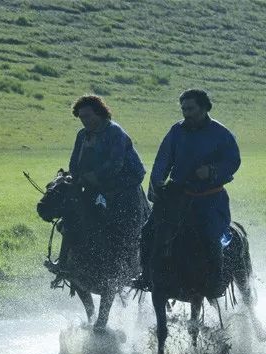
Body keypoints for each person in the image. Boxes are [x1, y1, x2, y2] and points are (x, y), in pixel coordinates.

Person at [133, 89, 241, 299]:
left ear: (204, 107)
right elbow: (162, 161)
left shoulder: (221, 134)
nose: (186, 113)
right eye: (183, 109)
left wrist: (211, 171)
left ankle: (215, 283)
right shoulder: (176, 131)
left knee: (211, 236)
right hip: (177, 197)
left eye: (190, 109)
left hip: (210, 199)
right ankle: (146, 275)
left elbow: (233, 161)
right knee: (148, 231)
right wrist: (157, 185)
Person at [55, 95, 147, 288]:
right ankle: (63, 263)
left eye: (88, 116)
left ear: (100, 113)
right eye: (81, 117)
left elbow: (115, 165)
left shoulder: (115, 132)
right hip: (96, 187)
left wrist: (92, 177)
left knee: (126, 229)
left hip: (124, 189)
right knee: (71, 220)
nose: (84, 121)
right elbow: (74, 162)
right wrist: (75, 176)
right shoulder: (82, 135)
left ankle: (132, 269)